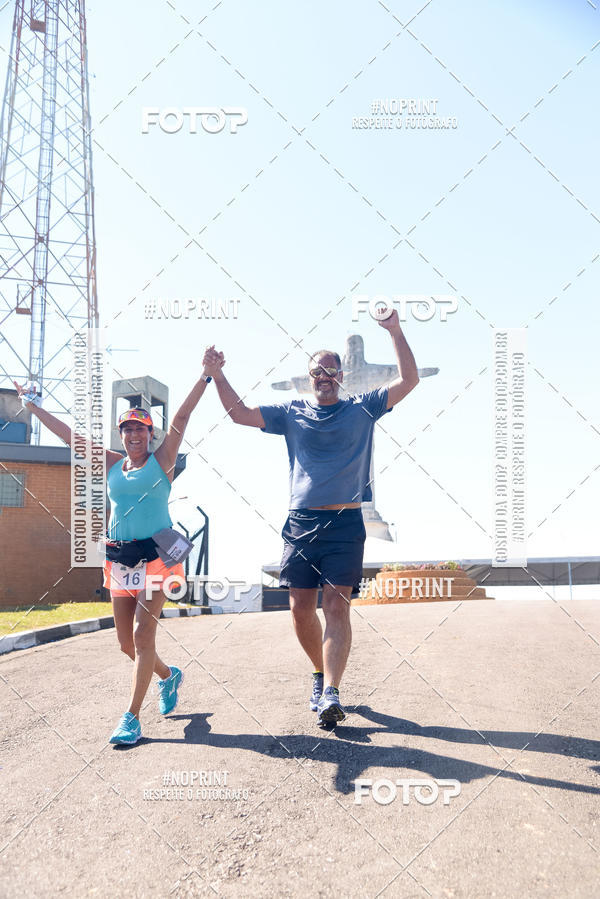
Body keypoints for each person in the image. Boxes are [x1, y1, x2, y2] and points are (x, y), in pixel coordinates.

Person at [202, 311, 419, 727]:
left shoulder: (363, 408)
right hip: (300, 523)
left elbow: (408, 381)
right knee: (300, 608)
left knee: (337, 605)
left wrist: (394, 330)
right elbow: (240, 414)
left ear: (340, 376)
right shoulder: (291, 412)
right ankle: (319, 676)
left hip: (345, 524)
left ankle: (333, 693)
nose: (324, 377)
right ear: (309, 377)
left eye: (331, 371)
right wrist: (215, 375)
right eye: (318, 371)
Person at [14, 365, 214, 745]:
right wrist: (33, 407)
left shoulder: (163, 460)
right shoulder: (111, 464)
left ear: (151, 433)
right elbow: (70, 437)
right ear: (120, 435)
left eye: (140, 428)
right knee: (126, 643)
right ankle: (169, 676)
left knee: (142, 634)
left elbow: (184, 415)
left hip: (157, 556)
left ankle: (131, 719)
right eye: (127, 428)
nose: (134, 433)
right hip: (121, 559)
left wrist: (206, 375)